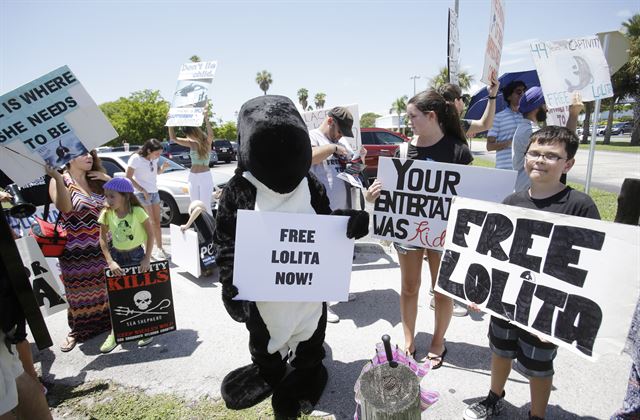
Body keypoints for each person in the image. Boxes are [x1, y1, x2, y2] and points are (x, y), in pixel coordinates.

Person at [463, 126, 601, 420]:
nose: (540, 160)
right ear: (525, 156)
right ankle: (493, 397)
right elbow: (492, 253)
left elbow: (590, 267)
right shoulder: (512, 201)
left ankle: (537, 415)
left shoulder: (580, 206)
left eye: (551, 156)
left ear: (568, 164)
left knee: (539, 366)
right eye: (534, 153)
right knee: (500, 351)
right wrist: (480, 293)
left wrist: (561, 323)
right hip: (506, 301)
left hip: (547, 309)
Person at [365, 90, 472, 366]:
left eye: (413, 116)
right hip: (408, 229)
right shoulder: (402, 150)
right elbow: (391, 192)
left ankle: (438, 341)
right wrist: (372, 196)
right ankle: (409, 340)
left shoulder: (458, 151)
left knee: (442, 290)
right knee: (410, 287)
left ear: (431, 116)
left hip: (445, 232)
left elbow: (470, 196)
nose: (408, 121)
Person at [47, 151, 112, 352]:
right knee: (78, 294)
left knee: (105, 289)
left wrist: (108, 180)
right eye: (82, 153)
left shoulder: (96, 179)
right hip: (76, 252)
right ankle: (77, 330)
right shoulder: (62, 180)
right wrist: (57, 178)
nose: (89, 156)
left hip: (103, 247)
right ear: (70, 158)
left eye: (91, 153)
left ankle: (109, 324)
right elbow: (65, 207)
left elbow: (122, 201)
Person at [309, 107, 361, 322]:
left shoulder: (342, 142)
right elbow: (309, 157)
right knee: (321, 257)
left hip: (344, 206)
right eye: (340, 130)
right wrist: (333, 148)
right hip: (321, 209)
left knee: (341, 254)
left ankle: (338, 291)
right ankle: (323, 303)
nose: (341, 136)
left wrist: (359, 161)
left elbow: (354, 169)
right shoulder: (312, 136)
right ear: (330, 121)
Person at [97, 177, 154, 353]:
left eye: (112, 196)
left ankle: (145, 328)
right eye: (106, 196)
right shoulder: (106, 213)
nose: (108, 200)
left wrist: (146, 257)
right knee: (116, 297)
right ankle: (116, 332)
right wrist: (110, 261)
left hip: (137, 255)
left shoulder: (137, 212)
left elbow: (150, 234)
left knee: (139, 293)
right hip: (117, 257)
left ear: (125, 196)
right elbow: (102, 238)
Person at [512, 87, 583, 192]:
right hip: (530, 191)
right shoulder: (530, 131)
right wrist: (573, 114)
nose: (547, 109)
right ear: (537, 106)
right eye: (545, 104)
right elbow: (566, 144)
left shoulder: (525, 128)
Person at [126, 138, 170, 260]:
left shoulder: (154, 159)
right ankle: (148, 253)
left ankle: (160, 249)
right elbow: (128, 177)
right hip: (141, 194)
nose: (158, 156)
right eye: (157, 153)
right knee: (148, 224)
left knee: (156, 222)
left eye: (160, 154)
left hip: (154, 192)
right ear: (149, 150)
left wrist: (163, 168)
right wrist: (142, 190)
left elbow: (155, 173)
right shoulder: (136, 158)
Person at [168, 108, 214, 215]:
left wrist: (206, 118)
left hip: (205, 176)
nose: (187, 136)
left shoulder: (206, 142)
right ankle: (198, 229)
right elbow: (173, 138)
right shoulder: (190, 143)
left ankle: (210, 229)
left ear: (194, 133)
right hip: (192, 177)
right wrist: (170, 122)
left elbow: (211, 135)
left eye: (188, 134)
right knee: (194, 205)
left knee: (205, 205)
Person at [438, 71, 500, 138]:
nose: (463, 102)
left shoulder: (433, 124)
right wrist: (492, 95)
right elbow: (486, 125)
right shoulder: (458, 125)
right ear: (456, 102)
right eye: (463, 98)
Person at [486, 80, 527, 169]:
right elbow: (489, 146)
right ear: (509, 96)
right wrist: (511, 143)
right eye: (519, 92)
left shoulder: (526, 117)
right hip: (505, 170)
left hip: (524, 172)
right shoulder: (497, 118)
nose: (523, 94)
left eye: (524, 91)